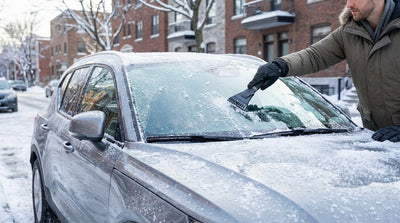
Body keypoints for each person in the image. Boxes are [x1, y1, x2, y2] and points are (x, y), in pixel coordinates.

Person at [247, 0, 400, 142]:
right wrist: (279, 66)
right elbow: (315, 56)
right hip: (376, 141)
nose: (349, 4)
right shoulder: (349, 32)